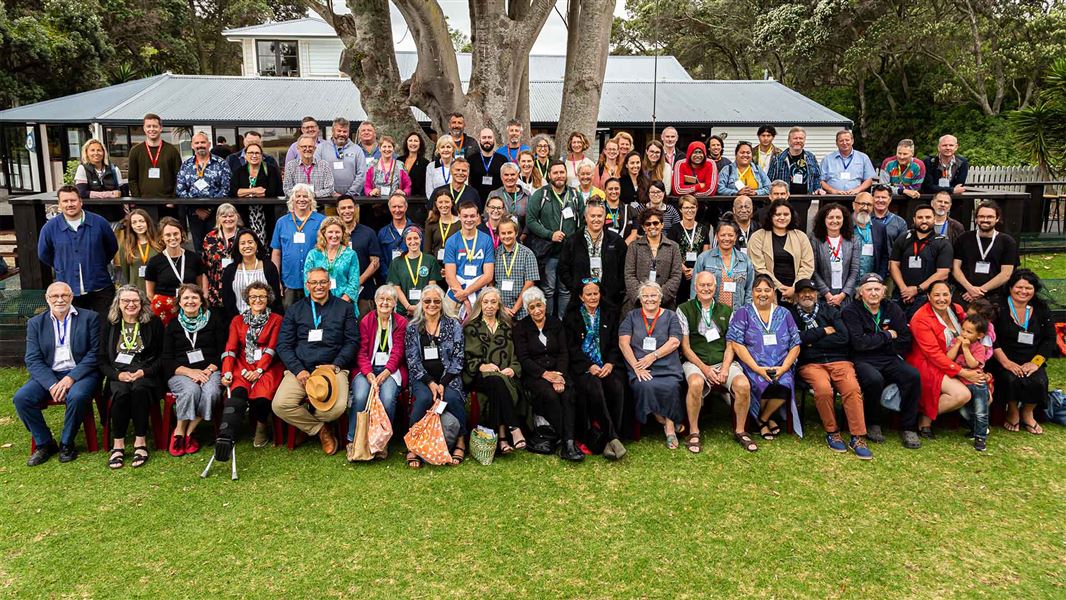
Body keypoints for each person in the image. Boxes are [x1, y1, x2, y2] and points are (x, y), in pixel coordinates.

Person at [274, 267, 359, 455]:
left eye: (322, 282)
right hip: (302, 369)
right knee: (280, 405)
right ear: (307, 285)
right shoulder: (295, 310)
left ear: (329, 284)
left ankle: (306, 425)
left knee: (336, 409)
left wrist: (336, 364)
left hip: (333, 368)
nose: (319, 286)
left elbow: (352, 341)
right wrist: (298, 370)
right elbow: (283, 345)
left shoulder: (344, 308)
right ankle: (320, 430)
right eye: (314, 282)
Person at [15, 282, 101, 466]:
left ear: (71, 297)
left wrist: (71, 378)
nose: (60, 300)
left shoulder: (90, 318)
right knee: (22, 398)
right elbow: (32, 359)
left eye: (64, 295)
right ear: (47, 299)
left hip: (81, 373)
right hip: (50, 373)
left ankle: (67, 443)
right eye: (55, 296)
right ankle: (45, 443)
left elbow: (95, 353)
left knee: (77, 396)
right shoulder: (35, 323)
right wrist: (52, 384)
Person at [790, 279, 872, 458]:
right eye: (802, 292)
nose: (807, 295)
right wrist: (822, 331)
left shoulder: (830, 311)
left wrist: (811, 341)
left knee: (852, 388)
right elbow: (795, 340)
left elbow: (844, 338)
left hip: (839, 361)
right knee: (823, 389)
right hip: (810, 364)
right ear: (796, 296)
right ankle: (832, 432)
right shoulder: (791, 315)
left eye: (810, 292)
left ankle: (857, 436)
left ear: (817, 294)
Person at [678, 272, 756, 453]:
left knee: (743, 385)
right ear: (695, 287)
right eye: (702, 285)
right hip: (697, 363)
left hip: (723, 362)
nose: (706, 289)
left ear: (716, 287)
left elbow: (731, 345)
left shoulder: (727, 310)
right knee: (696, 383)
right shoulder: (684, 309)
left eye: (709, 285)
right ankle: (694, 431)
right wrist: (705, 370)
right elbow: (686, 348)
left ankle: (741, 430)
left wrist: (725, 369)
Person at [841, 273, 922, 448]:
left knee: (912, 376)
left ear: (884, 292)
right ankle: (873, 423)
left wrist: (875, 340)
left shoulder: (893, 309)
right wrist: (886, 335)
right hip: (863, 359)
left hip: (889, 356)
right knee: (874, 379)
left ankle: (908, 427)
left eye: (877, 289)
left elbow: (904, 339)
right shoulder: (851, 311)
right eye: (869, 289)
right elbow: (859, 343)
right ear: (860, 293)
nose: (874, 293)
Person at [727, 274, 803, 440]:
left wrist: (783, 368)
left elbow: (795, 343)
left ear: (773, 292)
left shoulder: (784, 313)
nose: (763, 294)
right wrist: (757, 369)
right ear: (752, 292)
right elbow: (736, 344)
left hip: (781, 365)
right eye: (758, 290)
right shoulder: (743, 312)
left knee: (784, 383)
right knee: (759, 382)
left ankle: (762, 419)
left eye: (767, 290)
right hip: (752, 366)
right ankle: (766, 419)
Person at [513, 287, 584, 461]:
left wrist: (558, 375)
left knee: (568, 394)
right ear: (527, 310)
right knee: (550, 395)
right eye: (532, 307)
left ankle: (567, 441)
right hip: (535, 375)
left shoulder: (556, 323)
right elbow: (524, 358)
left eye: (539, 305)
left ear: (545, 305)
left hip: (559, 372)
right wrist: (545, 374)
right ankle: (569, 442)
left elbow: (563, 353)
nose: (537, 310)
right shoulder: (521, 327)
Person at [906, 281, 983, 440]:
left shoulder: (957, 309)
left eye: (945, 294)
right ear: (928, 296)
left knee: (984, 390)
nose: (941, 299)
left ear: (951, 295)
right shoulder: (921, 318)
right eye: (936, 295)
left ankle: (975, 424)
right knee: (961, 394)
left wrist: (975, 366)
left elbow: (972, 334)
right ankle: (923, 419)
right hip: (927, 363)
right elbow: (932, 353)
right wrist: (962, 372)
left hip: (955, 360)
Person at [403, 284, 467, 467]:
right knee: (423, 399)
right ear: (421, 303)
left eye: (436, 301)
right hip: (423, 378)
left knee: (452, 397)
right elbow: (412, 360)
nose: (432, 304)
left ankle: (461, 440)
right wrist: (431, 383)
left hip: (449, 377)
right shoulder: (413, 327)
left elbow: (458, 357)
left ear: (442, 303)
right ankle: (413, 446)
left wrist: (443, 383)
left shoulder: (453, 324)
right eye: (427, 301)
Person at [563, 280, 627, 459]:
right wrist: (588, 365)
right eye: (588, 294)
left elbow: (616, 343)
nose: (593, 297)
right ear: (581, 297)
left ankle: (610, 440)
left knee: (616, 386)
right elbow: (571, 348)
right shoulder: (572, 316)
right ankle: (612, 437)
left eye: (596, 293)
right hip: (583, 368)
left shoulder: (610, 313)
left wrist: (610, 363)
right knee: (594, 387)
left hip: (606, 364)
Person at [99, 286, 162, 469]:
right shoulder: (109, 325)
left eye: (135, 300)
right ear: (118, 304)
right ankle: (118, 445)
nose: (130, 304)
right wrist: (117, 375)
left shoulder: (153, 323)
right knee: (121, 392)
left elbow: (161, 357)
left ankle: (140, 442)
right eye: (125, 301)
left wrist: (145, 372)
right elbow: (102, 360)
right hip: (119, 372)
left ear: (142, 304)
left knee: (140, 390)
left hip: (145, 371)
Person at [218, 281, 285, 453]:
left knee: (261, 396)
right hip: (243, 363)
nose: (258, 300)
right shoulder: (237, 320)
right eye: (253, 296)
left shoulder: (276, 319)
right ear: (247, 299)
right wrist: (226, 372)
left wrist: (259, 370)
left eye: (262, 296)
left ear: (268, 298)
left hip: (268, 365)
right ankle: (226, 436)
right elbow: (231, 349)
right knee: (238, 393)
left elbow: (272, 348)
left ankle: (262, 426)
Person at [618, 281, 685, 448]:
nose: (650, 299)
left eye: (653, 295)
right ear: (640, 299)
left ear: (660, 298)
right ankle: (662, 419)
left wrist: (653, 356)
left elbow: (675, 342)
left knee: (671, 386)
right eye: (646, 296)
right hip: (639, 366)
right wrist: (636, 366)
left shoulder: (671, 316)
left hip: (667, 365)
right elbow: (623, 343)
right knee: (645, 385)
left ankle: (669, 429)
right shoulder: (632, 316)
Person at [162, 283, 226, 457]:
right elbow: (166, 359)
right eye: (186, 298)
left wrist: (208, 370)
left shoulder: (214, 320)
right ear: (180, 303)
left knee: (211, 392)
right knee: (190, 390)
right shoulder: (173, 325)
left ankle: (187, 432)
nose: (190, 301)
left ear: (201, 301)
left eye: (194, 297)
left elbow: (222, 351)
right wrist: (190, 372)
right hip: (181, 372)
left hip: (210, 370)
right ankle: (180, 431)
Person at [38, 186, 119, 317]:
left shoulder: (99, 222)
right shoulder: (49, 228)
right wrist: (62, 265)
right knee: (76, 330)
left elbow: (112, 247)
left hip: (100, 286)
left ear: (80, 201)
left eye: (73, 200)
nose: (69, 204)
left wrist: (96, 262)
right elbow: (44, 254)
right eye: (65, 201)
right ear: (59, 204)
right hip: (69, 289)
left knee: (104, 328)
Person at [463, 288, 526, 455]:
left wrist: (513, 369)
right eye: (485, 302)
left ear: (499, 306)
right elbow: (468, 356)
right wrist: (481, 366)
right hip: (478, 375)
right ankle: (513, 427)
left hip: (502, 376)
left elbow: (515, 355)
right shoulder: (472, 327)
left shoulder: (507, 327)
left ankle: (502, 438)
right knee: (496, 381)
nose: (489, 306)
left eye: (493, 302)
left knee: (498, 382)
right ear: (480, 304)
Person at [990, 269, 1053, 436]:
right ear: (1010, 287)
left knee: (1038, 381)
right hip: (1003, 357)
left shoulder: (1041, 308)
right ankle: (1012, 411)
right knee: (1011, 379)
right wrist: (1006, 362)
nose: (1023, 291)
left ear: (1034, 290)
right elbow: (991, 337)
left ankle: (1028, 413)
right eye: (1019, 287)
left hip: (1031, 358)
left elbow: (1049, 339)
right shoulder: (998, 306)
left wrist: (1035, 363)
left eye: (1028, 288)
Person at [349, 285, 407, 455]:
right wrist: (369, 374)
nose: (384, 302)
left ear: (395, 302)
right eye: (381, 299)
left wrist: (386, 372)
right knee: (360, 397)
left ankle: (382, 442)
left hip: (390, 370)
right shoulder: (366, 320)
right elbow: (361, 351)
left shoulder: (401, 322)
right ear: (375, 301)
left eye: (389, 299)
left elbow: (398, 351)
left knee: (387, 398)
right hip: (367, 368)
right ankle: (353, 440)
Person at [526, 160, 584, 316]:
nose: (559, 176)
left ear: (566, 174)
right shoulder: (540, 195)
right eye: (555, 172)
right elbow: (530, 220)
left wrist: (574, 240)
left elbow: (583, 222)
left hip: (568, 252)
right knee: (549, 289)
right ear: (549, 175)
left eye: (562, 172)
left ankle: (562, 323)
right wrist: (549, 234)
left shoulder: (575, 195)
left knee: (565, 289)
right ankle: (549, 322)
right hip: (548, 252)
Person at [559, 201, 627, 311]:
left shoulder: (616, 241)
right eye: (592, 216)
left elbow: (624, 269)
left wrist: (616, 290)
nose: (596, 219)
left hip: (610, 299)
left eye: (600, 216)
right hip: (581, 300)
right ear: (586, 217)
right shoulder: (573, 241)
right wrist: (576, 288)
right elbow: (563, 268)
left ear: (605, 217)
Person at [889, 204, 952, 316]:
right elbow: (893, 264)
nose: (924, 221)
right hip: (901, 294)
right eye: (920, 218)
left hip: (927, 296)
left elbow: (943, 273)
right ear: (914, 219)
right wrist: (904, 290)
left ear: (934, 219)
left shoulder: (942, 242)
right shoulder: (903, 238)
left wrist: (916, 290)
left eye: (928, 217)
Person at [747, 199, 815, 303]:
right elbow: (759, 267)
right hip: (768, 291)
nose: (782, 217)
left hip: (796, 291)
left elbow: (807, 265)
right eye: (777, 214)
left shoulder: (801, 237)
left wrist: (794, 288)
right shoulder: (757, 237)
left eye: (786, 214)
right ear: (770, 216)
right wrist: (779, 287)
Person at [144, 217, 207, 325]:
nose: (172, 238)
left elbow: (199, 286)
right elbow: (150, 294)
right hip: (163, 310)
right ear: (162, 237)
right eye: (168, 235)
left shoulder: (194, 258)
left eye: (175, 234)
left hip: (189, 307)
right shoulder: (154, 262)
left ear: (181, 234)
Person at [946, 309, 994, 451]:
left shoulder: (978, 347)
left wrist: (966, 349)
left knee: (980, 410)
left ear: (979, 335)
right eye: (963, 330)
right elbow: (949, 358)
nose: (964, 334)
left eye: (969, 332)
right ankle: (975, 428)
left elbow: (973, 364)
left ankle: (980, 437)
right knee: (964, 411)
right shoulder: (956, 341)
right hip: (961, 382)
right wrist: (957, 345)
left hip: (976, 383)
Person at [953, 200, 1018, 304]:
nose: (985, 220)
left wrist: (979, 291)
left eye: (990, 217)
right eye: (981, 216)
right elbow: (955, 268)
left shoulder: (1007, 242)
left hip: (994, 297)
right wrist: (970, 289)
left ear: (997, 219)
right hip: (964, 294)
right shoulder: (964, 238)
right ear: (976, 219)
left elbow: (1006, 273)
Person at [176, 131, 232, 250]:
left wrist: (209, 209)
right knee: (198, 248)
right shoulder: (186, 165)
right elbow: (180, 190)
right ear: (192, 145)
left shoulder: (221, 163)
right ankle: (200, 269)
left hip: (216, 214)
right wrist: (196, 209)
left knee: (217, 246)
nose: (200, 145)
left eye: (203, 142)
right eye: (197, 143)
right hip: (194, 214)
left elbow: (226, 188)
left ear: (209, 144)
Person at [623, 208, 684, 313]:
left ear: (662, 225)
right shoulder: (634, 247)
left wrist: (658, 297)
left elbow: (676, 276)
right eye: (648, 224)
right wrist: (643, 297)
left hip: (665, 305)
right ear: (643, 227)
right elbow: (629, 274)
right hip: (636, 305)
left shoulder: (673, 247)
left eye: (655, 223)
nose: (652, 226)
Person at [443, 201, 496, 318]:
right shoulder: (451, 241)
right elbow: (449, 276)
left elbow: (488, 275)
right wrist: (465, 299)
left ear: (478, 217)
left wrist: (467, 292)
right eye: (465, 216)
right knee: (449, 327)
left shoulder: (486, 240)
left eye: (472, 216)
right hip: (456, 291)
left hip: (479, 291)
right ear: (459, 217)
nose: (469, 219)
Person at [335, 195, 384, 316]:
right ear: (338, 210)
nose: (347, 211)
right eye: (343, 208)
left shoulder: (368, 233)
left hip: (364, 291)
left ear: (356, 208)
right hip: (338, 291)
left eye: (350, 207)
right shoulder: (333, 234)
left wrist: (357, 282)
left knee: (364, 327)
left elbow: (375, 262)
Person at [220, 228, 283, 320]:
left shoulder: (269, 267)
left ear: (256, 244)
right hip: (239, 321)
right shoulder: (230, 270)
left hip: (266, 320)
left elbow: (275, 298)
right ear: (237, 246)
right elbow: (227, 299)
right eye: (242, 243)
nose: (247, 246)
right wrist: (237, 321)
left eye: (250, 242)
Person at [303, 217, 362, 313]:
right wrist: (318, 302)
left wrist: (341, 303)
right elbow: (307, 281)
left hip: (344, 305)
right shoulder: (313, 254)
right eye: (330, 232)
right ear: (323, 233)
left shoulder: (351, 254)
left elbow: (354, 283)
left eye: (337, 232)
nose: (334, 235)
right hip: (319, 305)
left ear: (343, 233)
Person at [691, 220, 755, 309]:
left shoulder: (745, 260)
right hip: (710, 313)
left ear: (736, 237)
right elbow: (695, 288)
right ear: (717, 236)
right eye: (723, 235)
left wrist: (746, 312)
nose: (727, 238)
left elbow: (750, 291)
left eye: (730, 235)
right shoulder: (704, 258)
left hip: (737, 313)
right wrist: (695, 311)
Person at [229, 141, 282, 242]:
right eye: (251, 153)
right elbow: (235, 192)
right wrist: (255, 190)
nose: (254, 155)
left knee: (268, 240)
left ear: (262, 155)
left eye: (257, 153)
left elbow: (271, 191)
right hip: (245, 213)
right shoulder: (239, 171)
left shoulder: (270, 170)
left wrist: (245, 193)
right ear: (245, 155)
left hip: (266, 213)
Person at [810, 203, 861, 307]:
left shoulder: (853, 240)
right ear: (823, 220)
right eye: (830, 217)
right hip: (822, 297)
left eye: (838, 217)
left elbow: (854, 270)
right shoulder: (815, 239)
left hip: (845, 298)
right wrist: (827, 294)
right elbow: (813, 270)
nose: (834, 221)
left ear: (844, 219)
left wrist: (842, 295)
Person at [667, 195, 711, 304]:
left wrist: (695, 270)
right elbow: (671, 252)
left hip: (698, 273)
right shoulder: (674, 229)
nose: (689, 210)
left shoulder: (703, 229)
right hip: (679, 273)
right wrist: (684, 269)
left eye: (692, 207)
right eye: (686, 208)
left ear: (696, 208)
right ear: (681, 209)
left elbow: (705, 254)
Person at [387, 226, 439, 316]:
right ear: (405, 241)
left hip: (425, 309)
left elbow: (432, 286)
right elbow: (396, 288)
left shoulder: (430, 260)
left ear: (420, 239)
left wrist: (420, 306)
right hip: (403, 311)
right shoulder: (397, 262)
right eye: (409, 239)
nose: (413, 242)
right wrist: (408, 306)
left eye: (416, 238)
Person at [127, 113, 182, 198]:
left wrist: (172, 199)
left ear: (160, 128)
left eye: (155, 126)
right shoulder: (135, 151)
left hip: (167, 202)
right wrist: (137, 199)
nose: (152, 129)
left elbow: (179, 178)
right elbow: (132, 179)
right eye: (148, 126)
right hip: (144, 202)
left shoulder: (172, 150)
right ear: (144, 129)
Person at [493, 219, 539, 318]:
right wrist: (501, 308)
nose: (506, 236)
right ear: (498, 235)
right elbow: (491, 283)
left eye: (509, 232)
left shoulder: (527, 254)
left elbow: (529, 283)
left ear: (516, 233)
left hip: (522, 312)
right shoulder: (494, 254)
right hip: (499, 310)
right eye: (503, 233)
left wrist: (514, 309)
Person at [201, 204, 243, 309]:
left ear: (236, 217)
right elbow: (204, 267)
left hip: (240, 286)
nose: (228, 219)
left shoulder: (244, 235)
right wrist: (205, 292)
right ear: (218, 219)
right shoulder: (210, 237)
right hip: (215, 289)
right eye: (224, 216)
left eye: (231, 216)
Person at [315, 117, 368, 197]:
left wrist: (349, 194)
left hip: (352, 198)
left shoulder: (357, 149)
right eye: (339, 131)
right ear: (332, 131)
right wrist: (331, 192)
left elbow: (362, 174)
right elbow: (316, 172)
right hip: (328, 198)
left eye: (345, 131)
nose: (342, 134)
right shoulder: (321, 148)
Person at [116, 209, 162, 293]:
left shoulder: (159, 243)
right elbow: (126, 273)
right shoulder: (126, 245)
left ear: (148, 223)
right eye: (134, 222)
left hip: (157, 291)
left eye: (141, 221)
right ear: (130, 225)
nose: (138, 225)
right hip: (136, 292)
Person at [767, 127, 821, 195]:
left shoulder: (811, 157)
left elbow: (817, 176)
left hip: (806, 199)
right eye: (795, 138)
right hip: (784, 200)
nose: (798, 141)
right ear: (789, 141)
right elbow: (769, 181)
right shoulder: (778, 159)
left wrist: (818, 188)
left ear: (804, 140)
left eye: (801, 138)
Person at [819, 130, 875, 196]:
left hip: (856, 197)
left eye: (847, 140)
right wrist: (833, 191)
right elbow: (821, 180)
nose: (844, 143)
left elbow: (869, 180)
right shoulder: (827, 159)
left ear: (852, 141)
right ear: (836, 143)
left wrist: (858, 190)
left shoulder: (863, 158)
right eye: (841, 141)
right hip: (832, 197)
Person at [852, 192, 890, 280]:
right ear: (854, 205)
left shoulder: (880, 228)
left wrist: (879, 278)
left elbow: (884, 256)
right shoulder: (845, 226)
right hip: (846, 285)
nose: (865, 208)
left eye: (869, 205)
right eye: (862, 204)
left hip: (871, 284)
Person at [283, 134, 335, 198]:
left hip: (320, 205)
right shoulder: (291, 166)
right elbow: (287, 189)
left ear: (315, 148)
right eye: (304, 146)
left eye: (310, 146)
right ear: (298, 148)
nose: (307, 149)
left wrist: (313, 195)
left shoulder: (324, 165)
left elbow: (330, 189)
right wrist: (302, 196)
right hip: (298, 205)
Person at [486, 162, 529, 232]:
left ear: (518, 176)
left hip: (522, 237)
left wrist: (523, 236)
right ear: (501, 176)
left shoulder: (526, 195)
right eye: (506, 175)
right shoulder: (494, 194)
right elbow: (486, 218)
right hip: (498, 236)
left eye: (512, 174)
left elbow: (530, 219)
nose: (509, 178)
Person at [377, 192, 413, 272]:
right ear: (389, 208)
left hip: (413, 279)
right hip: (390, 280)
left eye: (400, 207)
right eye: (394, 207)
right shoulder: (383, 233)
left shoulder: (416, 231)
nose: (397, 210)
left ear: (406, 207)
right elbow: (380, 260)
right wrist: (390, 277)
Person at [468, 128, 507, 201]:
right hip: (476, 200)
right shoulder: (471, 159)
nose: (487, 140)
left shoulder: (502, 160)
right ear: (479, 140)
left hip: (497, 200)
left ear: (494, 140)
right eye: (484, 137)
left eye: (489, 137)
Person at [424, 190, 461, 262]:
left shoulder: (460, 223)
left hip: (455, 264)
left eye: (447, 202)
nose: (444, 205)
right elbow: (427, 250)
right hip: (436, 266)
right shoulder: (431, 223)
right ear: (436, 204)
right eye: (440, 202)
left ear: (452, 203)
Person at [603, 177, 637, 243]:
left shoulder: (629, 209)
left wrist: (622, 247)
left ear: (620, 189)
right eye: (610, 189)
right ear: (605, 190)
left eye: (616, 189)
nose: (613, 192)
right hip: (603, 249)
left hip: (624, 248)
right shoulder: (598, 208)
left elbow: (634, 233)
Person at [399, 131, 430, 198]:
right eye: (410, 140)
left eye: (416, 141)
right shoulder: (399, 160)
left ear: (420, 144)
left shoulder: (425, 163)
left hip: (416, 200)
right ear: (406, 143)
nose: (413, 143)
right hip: (399, 198)